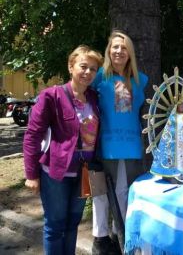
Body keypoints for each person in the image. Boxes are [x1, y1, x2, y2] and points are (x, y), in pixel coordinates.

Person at [23, 45, 103, 255]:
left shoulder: (94, 98)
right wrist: (31, 174)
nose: (88, 72)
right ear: (71, 66)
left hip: (84, 172)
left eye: (93, 69)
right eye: (83, 66)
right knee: (55, 225)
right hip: (55, 173)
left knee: (73, 223)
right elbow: (32, 136)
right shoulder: (52, 96)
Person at [91, 30, 148, 255]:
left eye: (124, 47)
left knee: (129, 193)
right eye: (115, 47)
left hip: (133, 145)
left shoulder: (140, 80)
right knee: (108, 194)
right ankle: (118, 242)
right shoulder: (98, 78)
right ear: (108, 51)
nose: (119, 51)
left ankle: (126, 238)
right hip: (107, 145)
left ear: (130, 53)